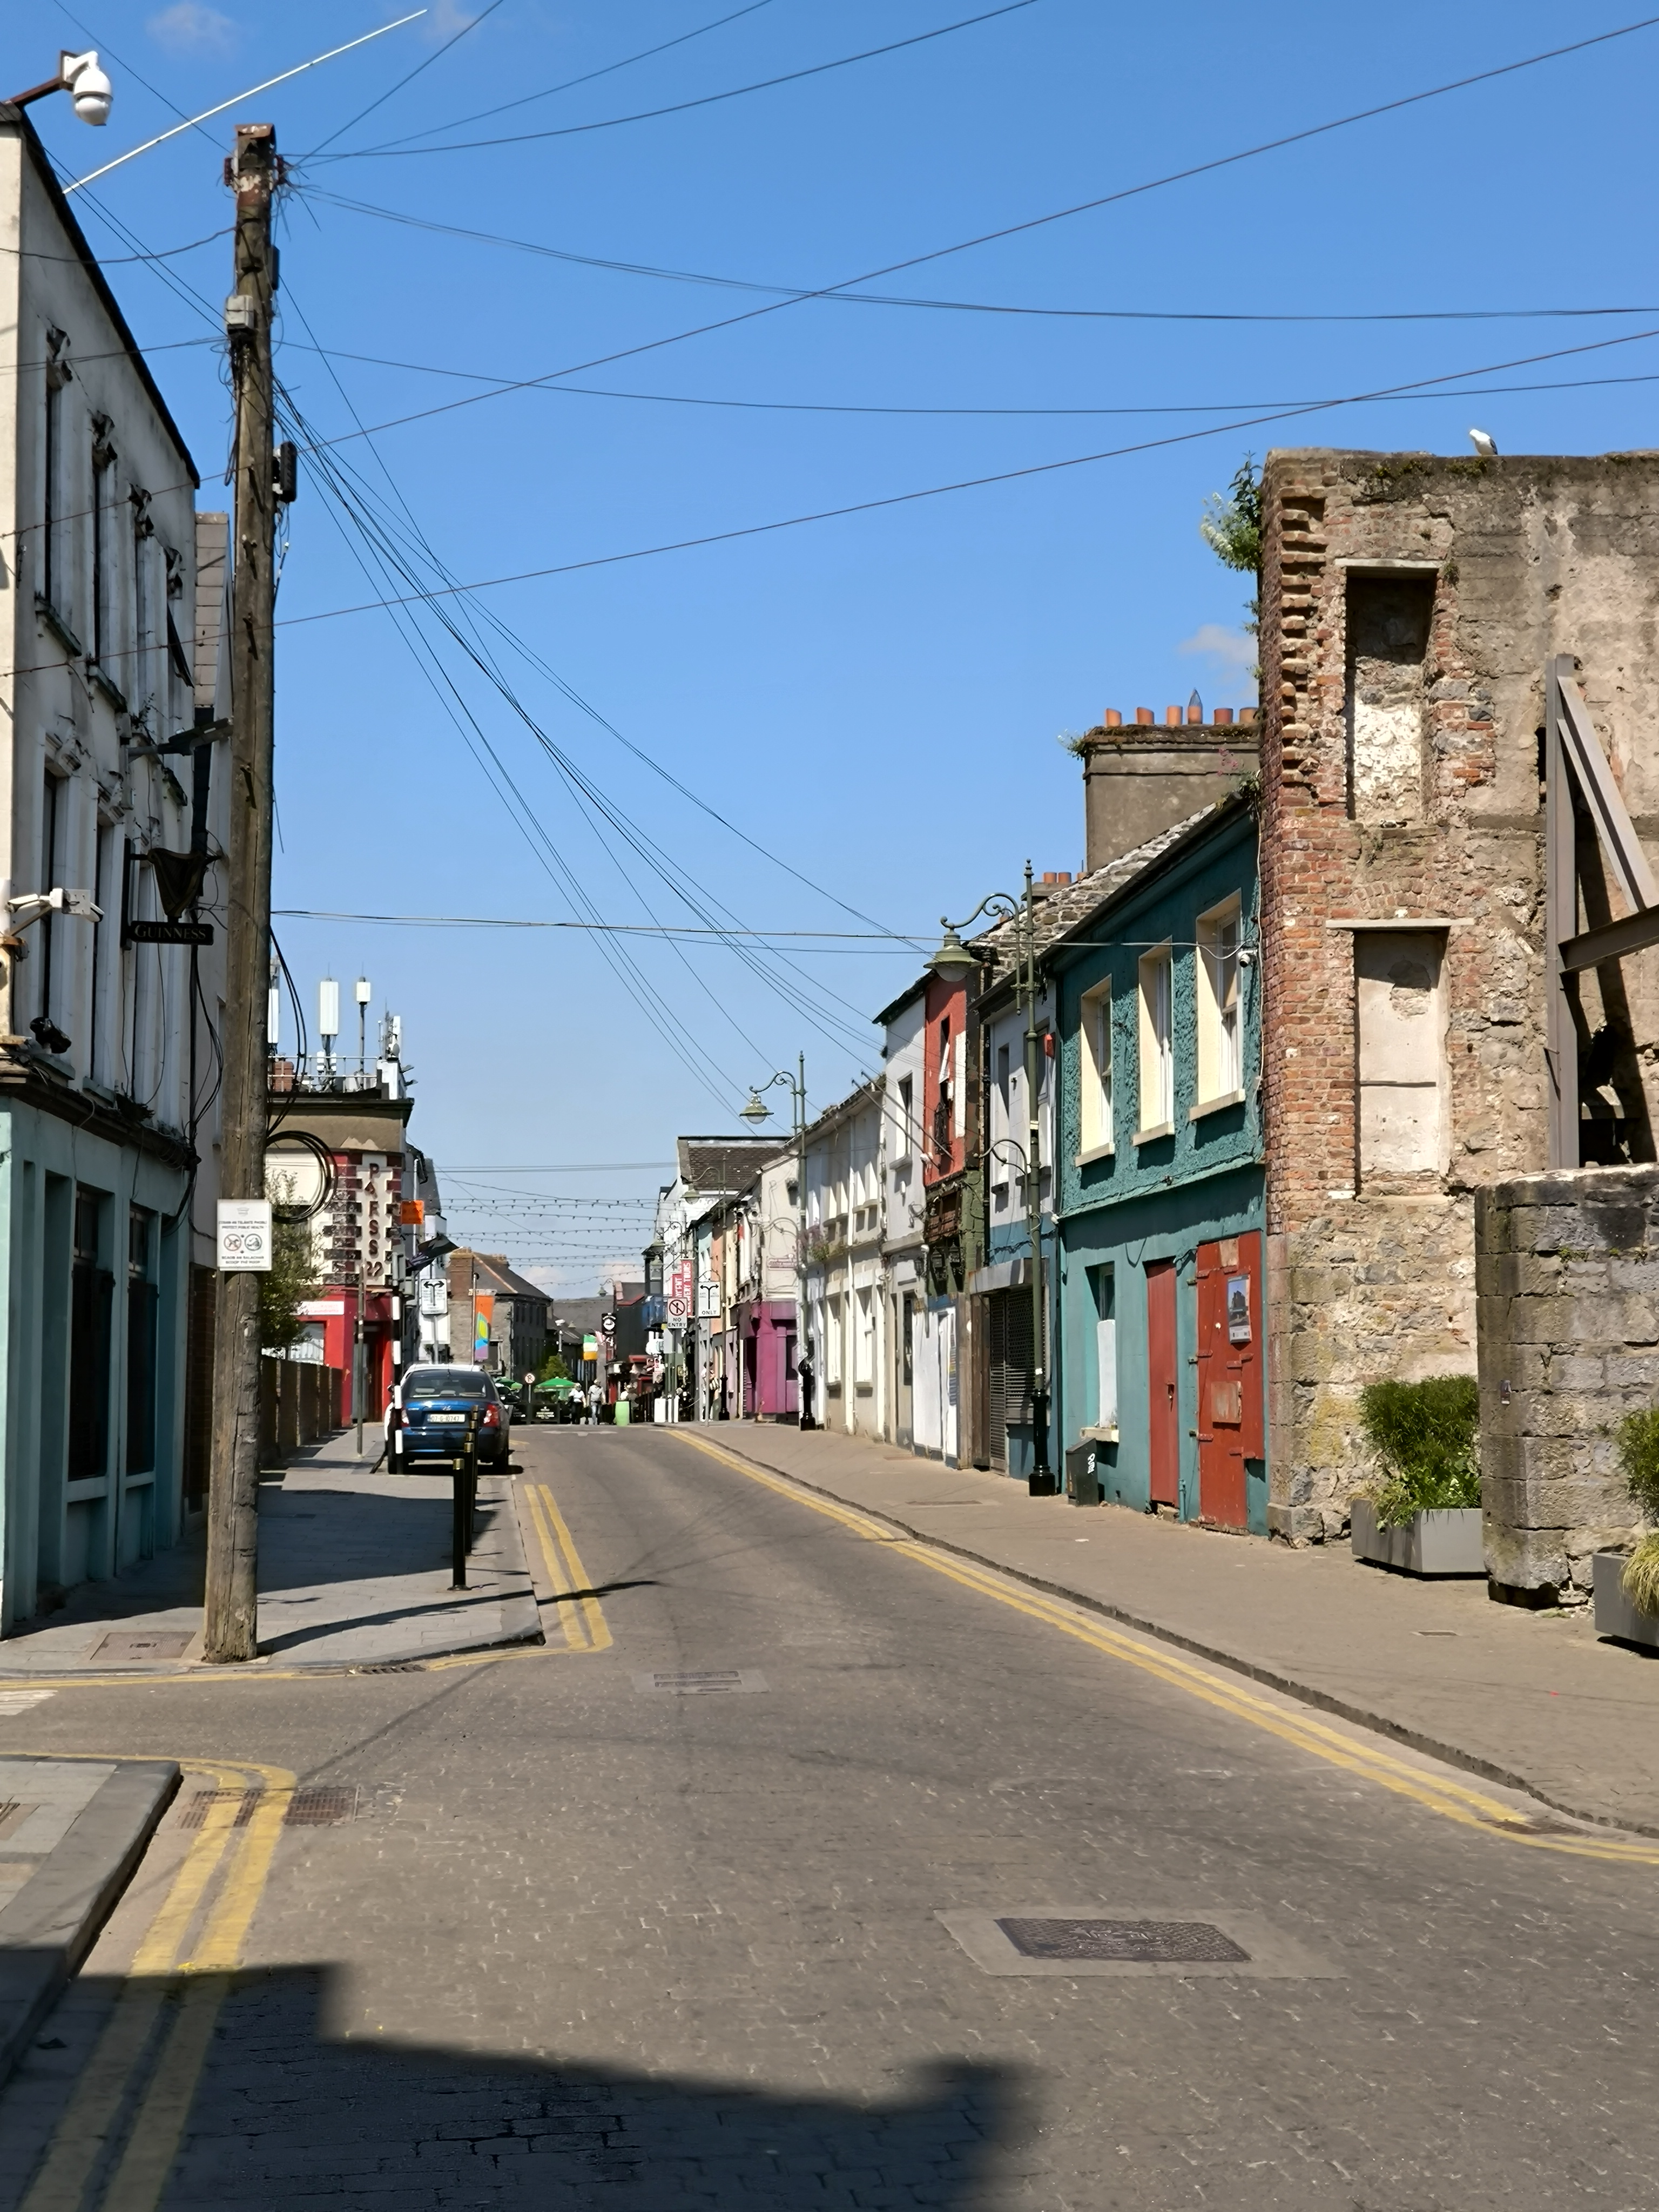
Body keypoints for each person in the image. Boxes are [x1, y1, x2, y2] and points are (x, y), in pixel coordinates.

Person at [796, 1351, 815, 1431]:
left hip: (807, 1378)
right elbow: (801, 1367)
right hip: (807, 1378)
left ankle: (807, 1415)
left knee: (807, 1397)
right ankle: (807, 1415)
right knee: (807, 1397)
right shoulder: (804, 1368)